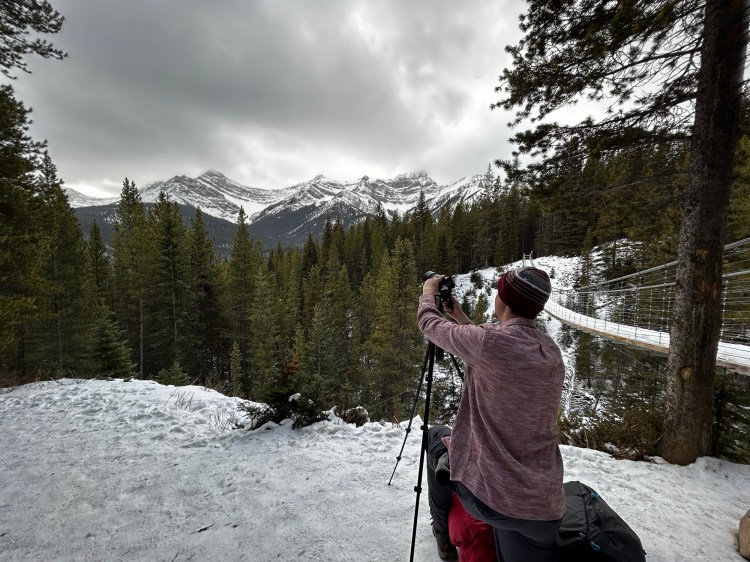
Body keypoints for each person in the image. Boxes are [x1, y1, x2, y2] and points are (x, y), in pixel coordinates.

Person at [418, 266, 565, 562]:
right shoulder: (550, 352)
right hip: (544, 508)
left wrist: (427, 295)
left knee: (436, 438)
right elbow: (494, 349)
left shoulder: (488, 343)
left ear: (504, 302)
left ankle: (444, 538)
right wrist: (460, 317)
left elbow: (430, 326)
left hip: (492, 500)